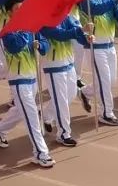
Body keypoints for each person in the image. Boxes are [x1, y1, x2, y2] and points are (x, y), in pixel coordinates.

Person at [0, 0, 54, 168]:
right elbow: (15, 46)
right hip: (18, 80)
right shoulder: (7, 31)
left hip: (32, 78)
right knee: (31, 116)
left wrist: (40, 45)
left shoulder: (32, 26)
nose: (22, 11)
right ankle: (41, 153)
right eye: (18, 9)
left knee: (20, 111)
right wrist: (27, 28)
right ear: (10, 13)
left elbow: (46, 44)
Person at [38, 14, 92, 147]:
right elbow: (60, 35)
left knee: (71, 94)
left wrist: (86, 38)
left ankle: (46, 115)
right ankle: (63, 134)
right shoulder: (44, 21)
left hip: (68, 63)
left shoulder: (66, 17)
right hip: (54, 66)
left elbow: (77, 34)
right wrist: (81, 30)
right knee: (61, 101)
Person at [79, 0, 118, 126]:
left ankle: (85, 92)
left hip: (109, 45)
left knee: (110, 81)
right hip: (95, 46)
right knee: (104, 81)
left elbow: (117, 11)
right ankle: (106, 113)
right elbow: (97, 9)